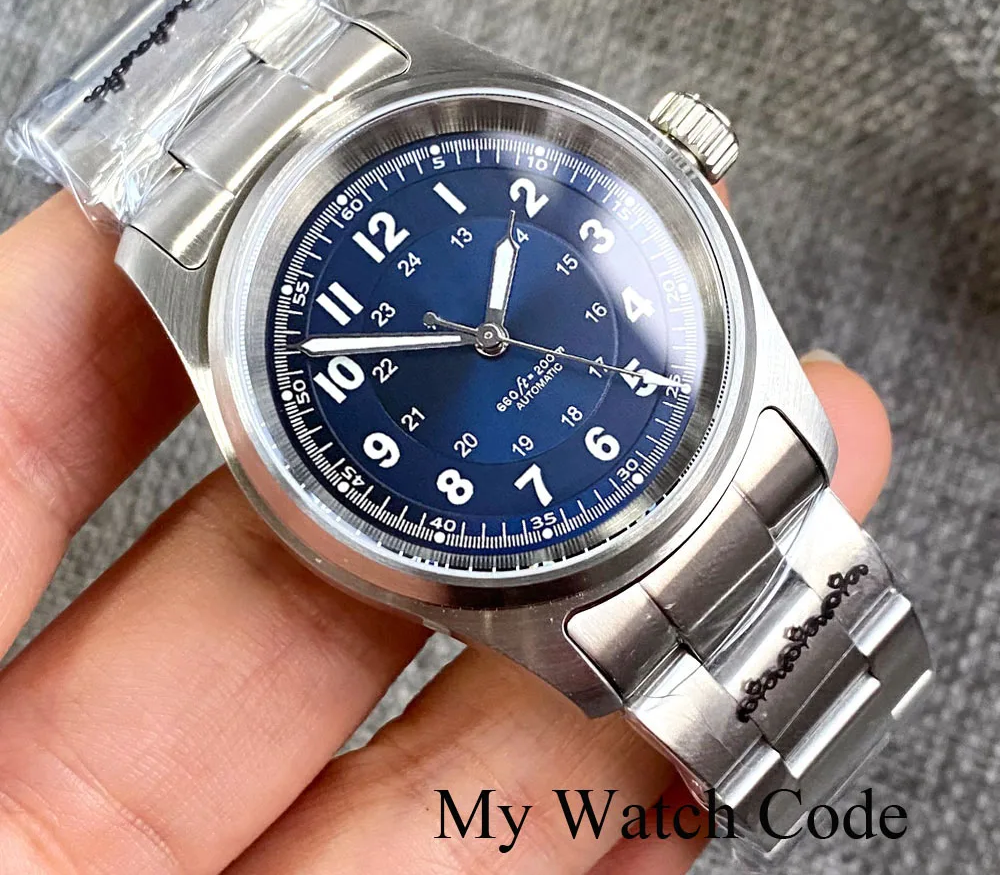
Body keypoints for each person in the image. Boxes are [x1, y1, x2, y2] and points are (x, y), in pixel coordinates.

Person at [0, 185, 891, 872]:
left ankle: (857, 668)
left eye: (492, 330)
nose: (491, 343)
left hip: (717, 433)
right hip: (581, 595)